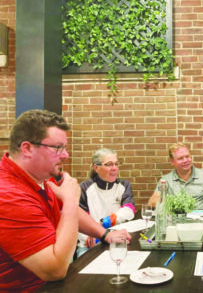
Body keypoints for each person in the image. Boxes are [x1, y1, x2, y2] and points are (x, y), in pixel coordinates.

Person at [0, 109, 131, 291]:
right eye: (57, 148)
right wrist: (71, 201)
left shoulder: (42, 176)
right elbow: (54, 270)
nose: (65, 155)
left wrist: (104, 234)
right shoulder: (8, 195)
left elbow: (70, 211)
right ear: (27, 149)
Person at [76, 148, 135, 257]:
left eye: (116, 164)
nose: (114, 168)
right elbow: (81, 221)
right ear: (96, 167)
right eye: (108, 164)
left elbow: (129, 210)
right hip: (90, 245)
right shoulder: (84, 188)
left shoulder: (124, 185)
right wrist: (98, 234)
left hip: (117, 242)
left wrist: (103, 223)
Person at [148, 142, 203, 210]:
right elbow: (152, 203)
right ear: (172, 161)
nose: (185, 160)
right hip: (178, 224)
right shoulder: (166, 180)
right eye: (180, 158)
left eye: (187, 156)